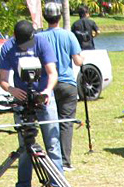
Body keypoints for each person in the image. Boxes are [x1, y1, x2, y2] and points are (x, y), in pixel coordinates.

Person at [0, 19, 63, 187]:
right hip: (22, 102)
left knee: (53, 144)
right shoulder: (8, 48)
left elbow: (52, 72)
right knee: (25, 146)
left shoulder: (42, 42)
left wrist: (47, 91)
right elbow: (2, 79)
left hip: (44, 99)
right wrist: (12, 89)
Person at [40, 3, 83, 172]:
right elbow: (78, 61)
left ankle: (52, 159)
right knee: (66, 123)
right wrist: (83, 57)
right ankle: (65, 161)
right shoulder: (69, 35)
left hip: (47, 85)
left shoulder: (40, 37)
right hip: (67, 83)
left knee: (50, 122)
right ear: (60, 17)